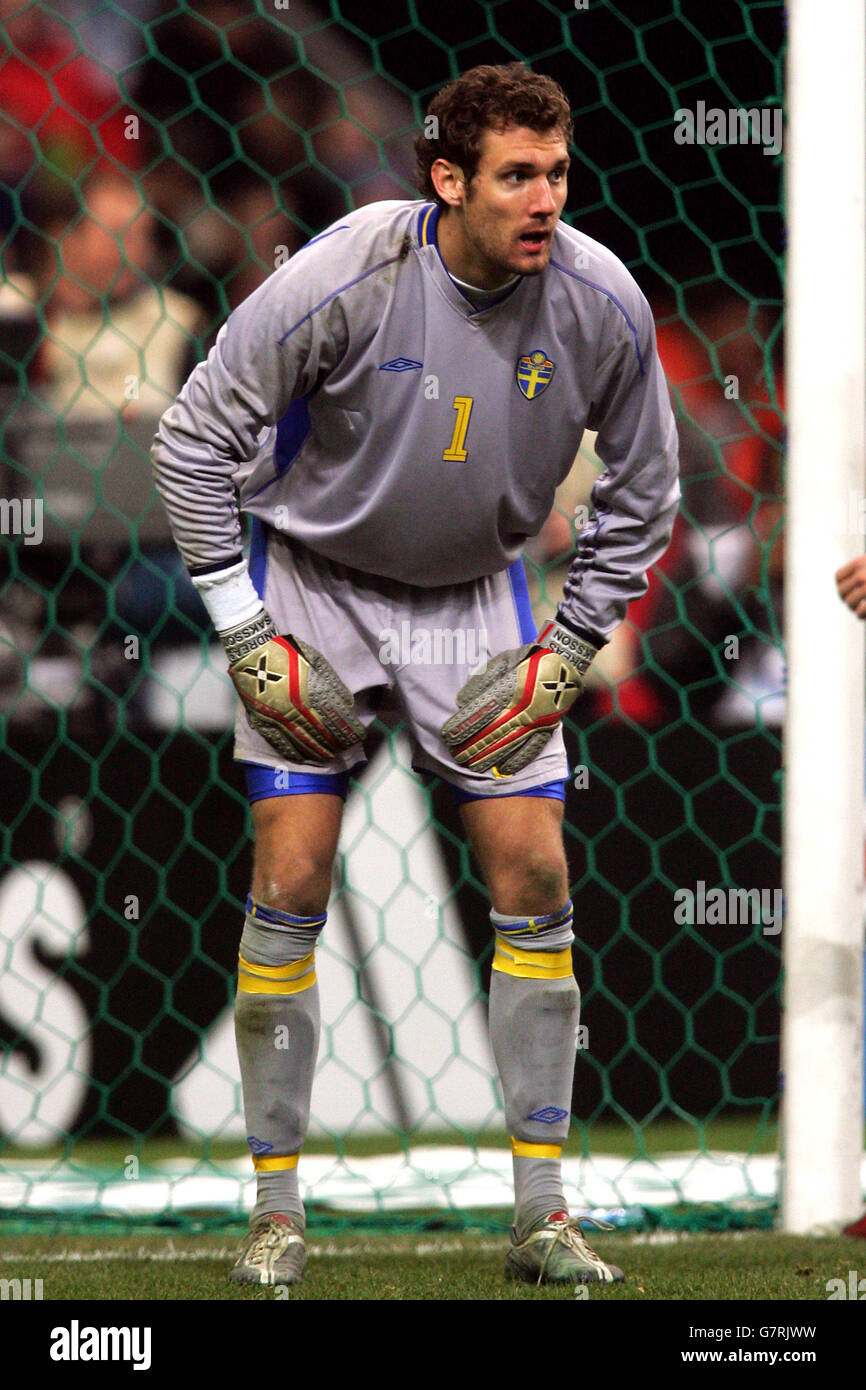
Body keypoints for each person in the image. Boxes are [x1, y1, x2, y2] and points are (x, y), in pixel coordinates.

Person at [152, 61, 679, 1288]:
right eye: (514, 177)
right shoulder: (346, 270)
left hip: (470, 598)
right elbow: (190, 441)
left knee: (535, 871)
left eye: (555, 172)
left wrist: (566, 654)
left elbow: (644, 495)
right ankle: (277, 1217)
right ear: (447, 180)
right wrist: (242, 627)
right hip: (319, 589)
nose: (544, 199)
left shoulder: (601, 301)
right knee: (287, 871)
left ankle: (541, 1215)